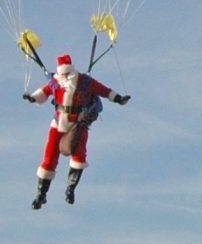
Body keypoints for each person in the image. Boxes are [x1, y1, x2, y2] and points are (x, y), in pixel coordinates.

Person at [23, 54, 130, 209]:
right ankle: (41, 194)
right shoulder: (55, 82)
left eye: (67, 73)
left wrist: (118, 98)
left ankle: (70, 189)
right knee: (49, 156)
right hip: (58, 123)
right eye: (63, 74)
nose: (65, 76)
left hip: (78, 124)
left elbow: (104, 90)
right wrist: (32, 98)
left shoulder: (84, 81)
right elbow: (44, 92)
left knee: (79, 155)